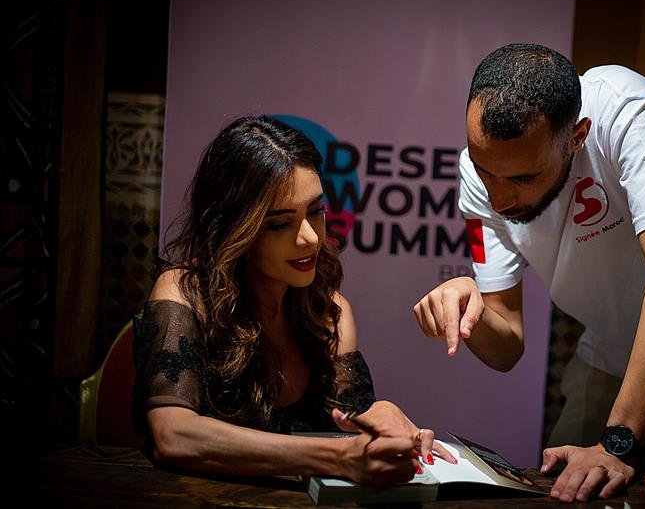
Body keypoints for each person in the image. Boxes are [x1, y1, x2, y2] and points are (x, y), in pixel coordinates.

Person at [414, 44, 645, 501]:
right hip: (608, 348)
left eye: (524, 179)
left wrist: (617, 444)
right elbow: (505, 345)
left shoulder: (630, 114)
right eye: (485, 170)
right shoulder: (480, 177)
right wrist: (471, 309)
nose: (499, 199)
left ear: (577, 137)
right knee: (558, 490)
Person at [133, 115, 454, 487]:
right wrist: (336, 458)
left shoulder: (330, 313)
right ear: (233, 228)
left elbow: (349, 428)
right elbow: (172, 436)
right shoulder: (184, 291)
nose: (310, 239)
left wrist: (381, 418)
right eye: (280, 223)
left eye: (316, 212)